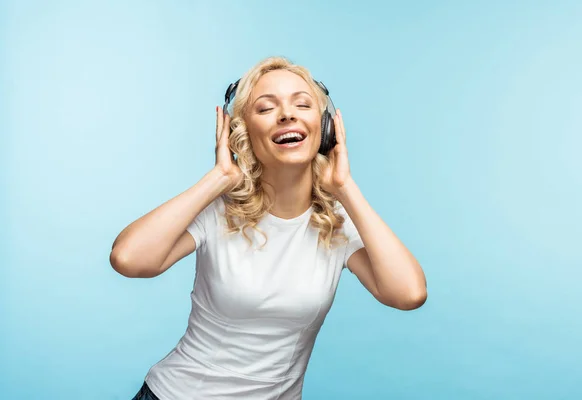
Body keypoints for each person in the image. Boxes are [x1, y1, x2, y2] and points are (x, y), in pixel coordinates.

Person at [110, 56, 428, 400]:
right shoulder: (220, 210)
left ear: (324, 128)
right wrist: (219, 178)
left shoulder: (335, 220)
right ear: (241, 132)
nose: (287, 114)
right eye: (265, 108)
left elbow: (408, 294)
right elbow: (128, 259)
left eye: (302, 104)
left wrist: (345, 188)